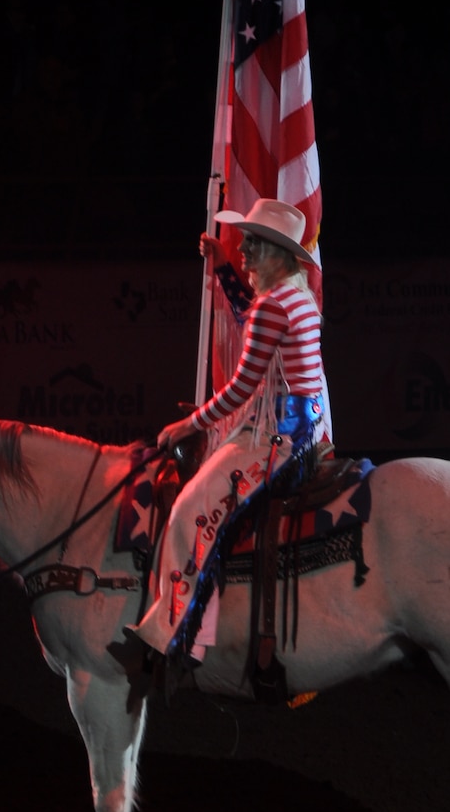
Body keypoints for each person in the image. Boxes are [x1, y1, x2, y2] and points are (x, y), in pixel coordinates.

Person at [130, 197, 331, 662]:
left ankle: (178, 632)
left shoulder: (273, 306)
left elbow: (241, 388)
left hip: (277, 439)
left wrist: (188, 424)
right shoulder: (297, 297)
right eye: (244, 244)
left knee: (189, 512)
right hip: (306, 428)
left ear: (278, 255)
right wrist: (223, 268)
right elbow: (251, 318)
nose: (243, 252)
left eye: (252, 245)